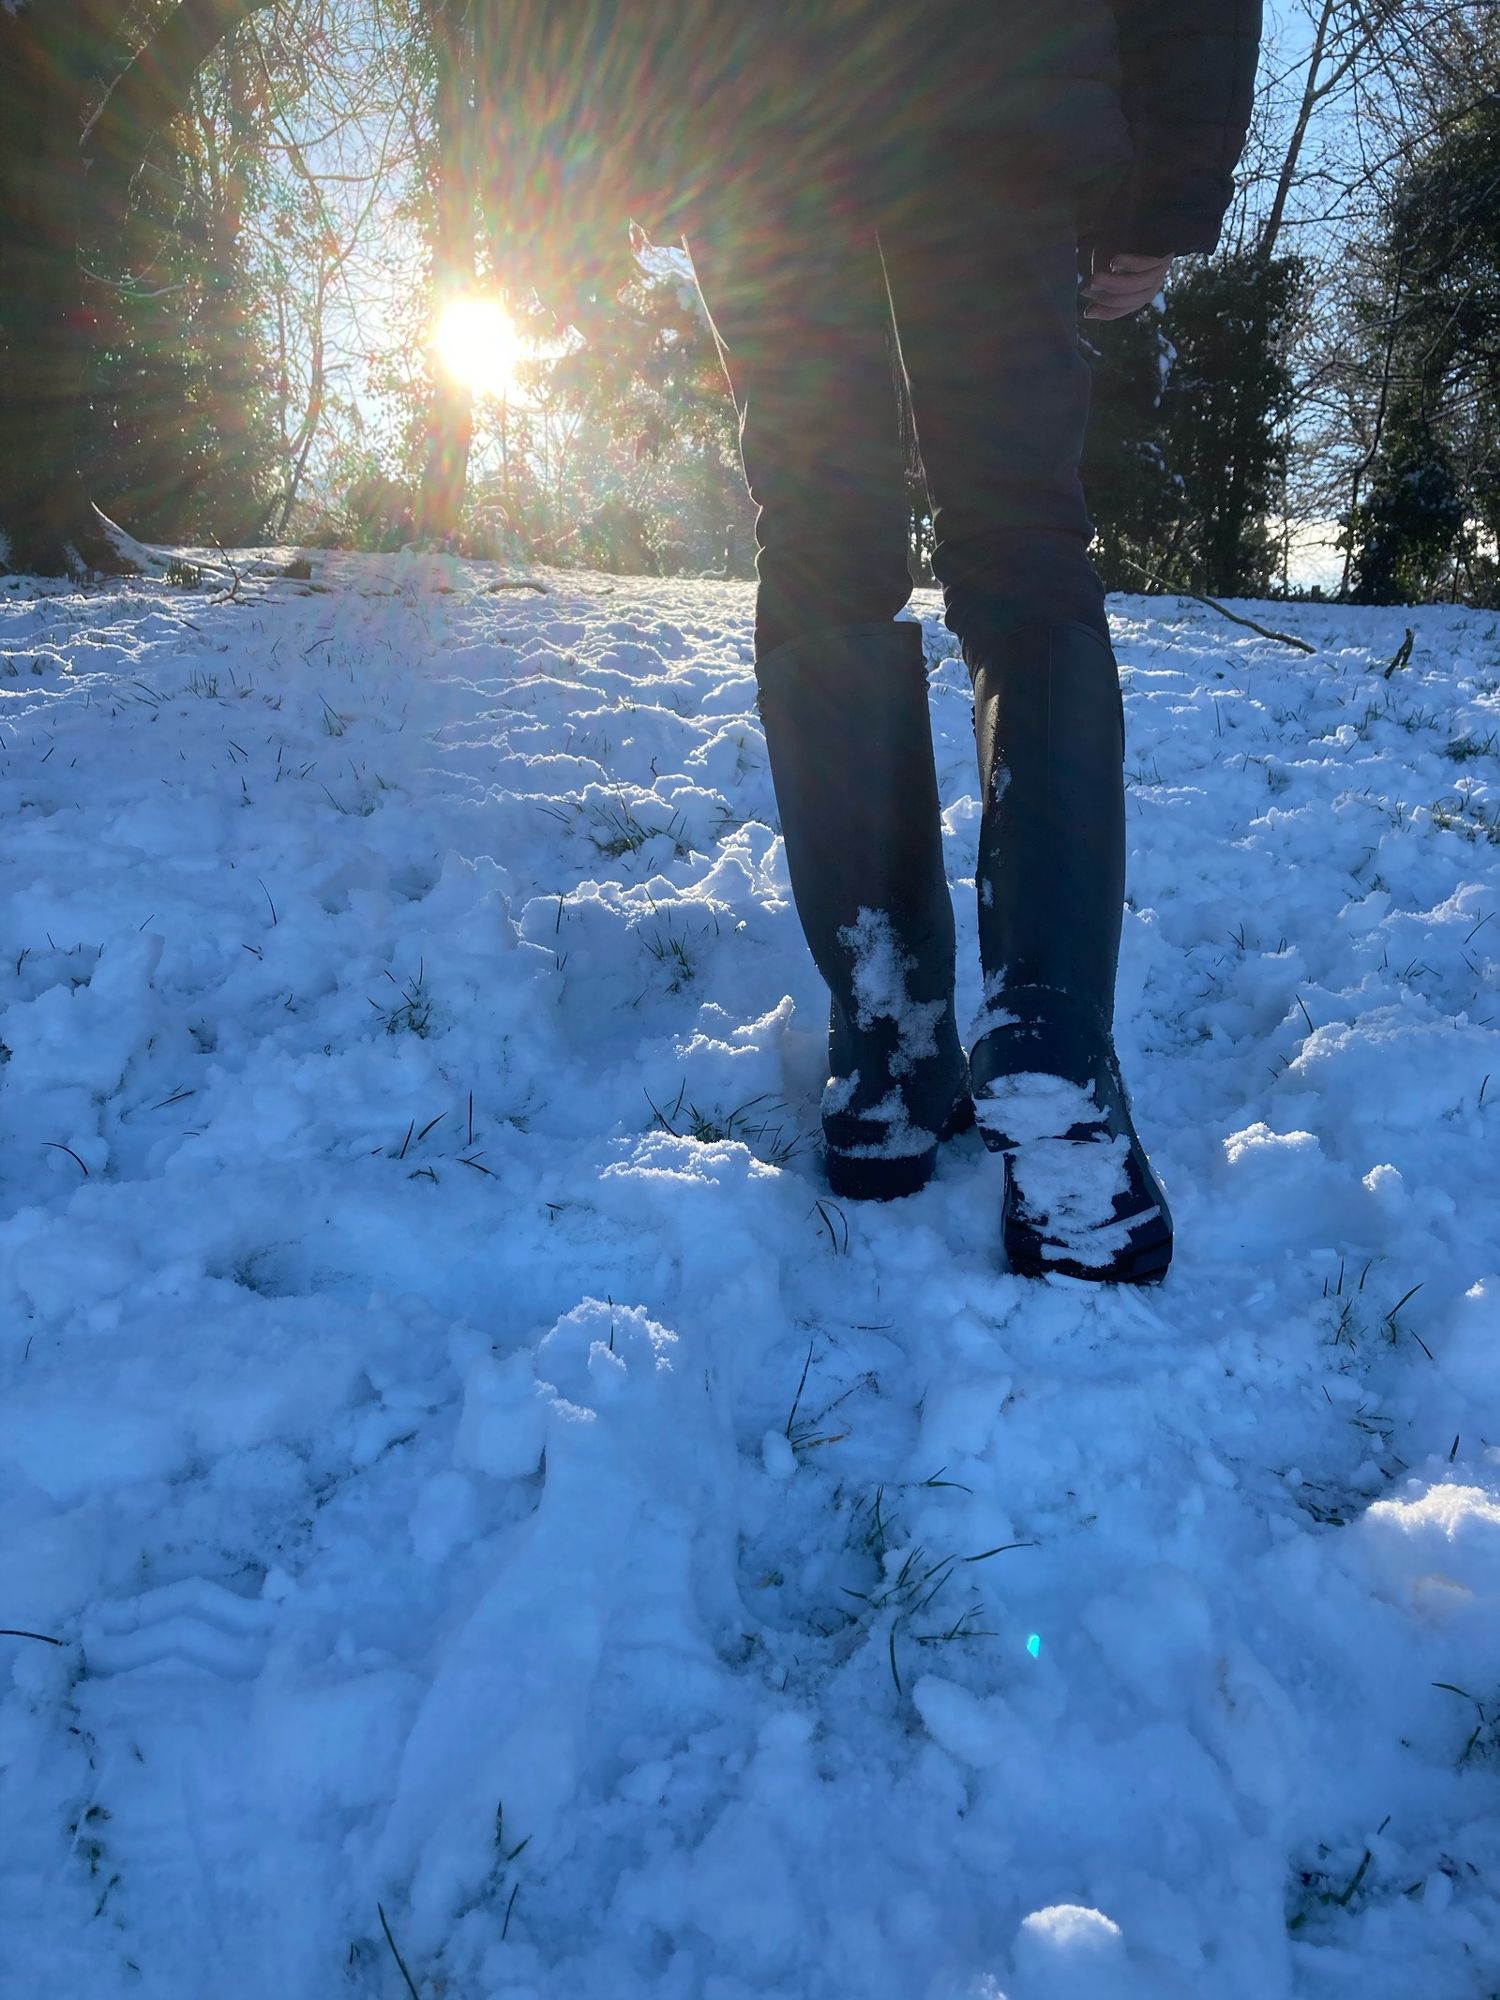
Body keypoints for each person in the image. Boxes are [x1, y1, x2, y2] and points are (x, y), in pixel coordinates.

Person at [663, 0, 1263, 1284]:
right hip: (996, 86)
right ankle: (1047, 1033)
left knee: (820, 544)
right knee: (1019, 547)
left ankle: (888, 1036)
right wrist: (1170, 178)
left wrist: (623, 121)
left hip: (755, 100)